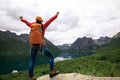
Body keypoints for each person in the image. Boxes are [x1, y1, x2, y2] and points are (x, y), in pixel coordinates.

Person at [20, 12, 59, 80]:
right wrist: (56, 15)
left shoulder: (32, 25)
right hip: (40, 45)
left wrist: (21, 19)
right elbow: (50, 20)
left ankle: (31, 77)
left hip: (32, 46)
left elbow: (26, 22)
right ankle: (52, 71)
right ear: (41, 21)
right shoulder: (43, 26)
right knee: (51, 56)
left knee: (32, 60)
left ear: (36, 20)